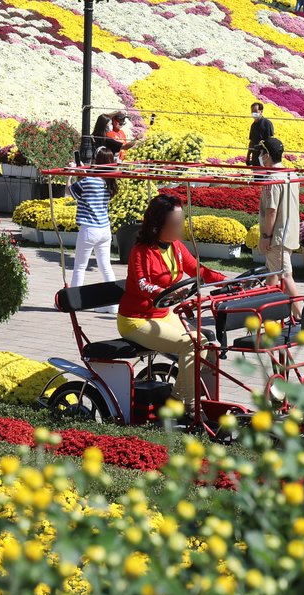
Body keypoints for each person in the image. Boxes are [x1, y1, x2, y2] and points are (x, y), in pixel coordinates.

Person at [118, 195, 227, 411]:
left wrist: (231, 281)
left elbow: (199, 270)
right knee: (192, 343)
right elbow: (142, 284)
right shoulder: (141, 251)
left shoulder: (175, 246)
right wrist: (168, 293)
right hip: (135, 321)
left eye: (182, 222)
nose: (181, 228)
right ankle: (186, 405)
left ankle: (186, 400)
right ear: (158, 226)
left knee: (205, 343)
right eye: (176, 224)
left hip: (162, 315)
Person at [256, 138, 303, 320]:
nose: (259, 157)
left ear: (267, 155)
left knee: (285, 275)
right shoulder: (291, 174)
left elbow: (271, 211)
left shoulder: (273, 179)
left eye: (261, 153)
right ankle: (267, 310)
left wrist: (266, 236)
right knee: (272, 272)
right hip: (289, 232)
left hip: (277, 236)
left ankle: (300, 316)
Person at [68, 147, 120, 311]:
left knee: (80, 267)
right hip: (105, 229)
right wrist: (83, 169)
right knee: (106, 267)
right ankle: (114, 305)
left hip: (89, 229)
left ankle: (74, 302)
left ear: (97, 161)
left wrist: (70, 174)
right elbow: (92, 179)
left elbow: (69, 191)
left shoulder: (88, 181)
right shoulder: (108, 182)